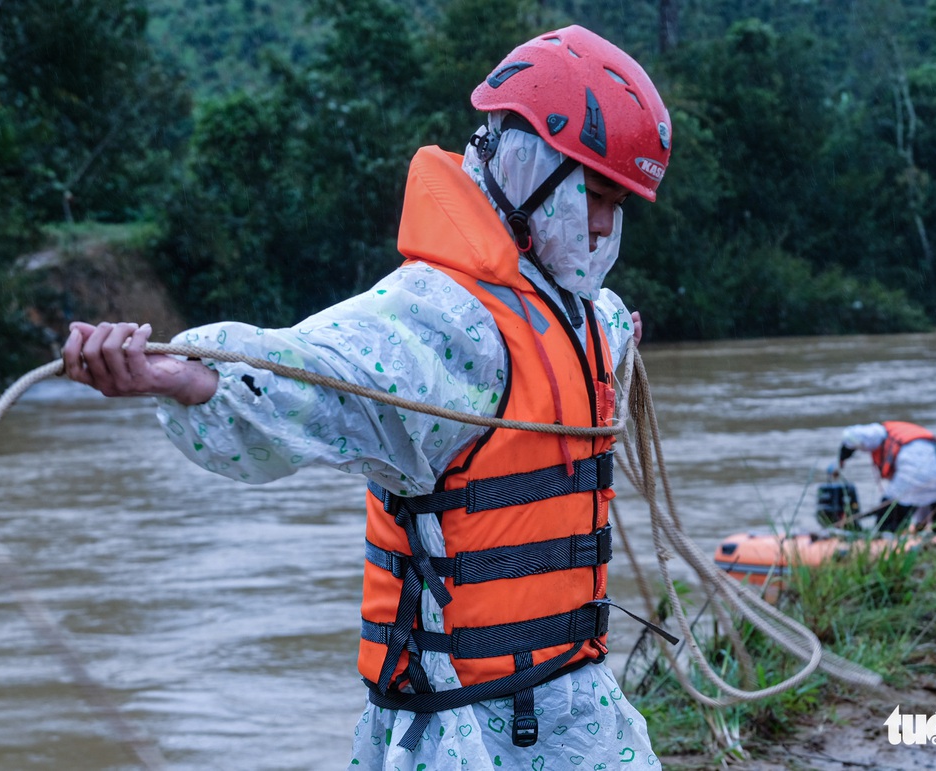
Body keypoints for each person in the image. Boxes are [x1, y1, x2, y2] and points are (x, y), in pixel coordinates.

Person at [60, 25, 671, 770]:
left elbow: (605, 334)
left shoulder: (583, 312)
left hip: (576, 708)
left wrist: (620, 341)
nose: (604, 225)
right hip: (468, 730)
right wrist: (179, 374)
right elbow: (316, 375)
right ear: (526, 163)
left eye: (619, 204)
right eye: (594, 194)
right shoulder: (438, 320)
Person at [838, 421, 936, 532]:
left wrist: (844, 453)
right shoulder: (906, 433)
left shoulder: (879, 432)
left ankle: (885, 537)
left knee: (891, 511)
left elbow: (850, 435)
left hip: (918, 465)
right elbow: (922, 499)